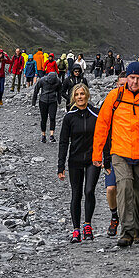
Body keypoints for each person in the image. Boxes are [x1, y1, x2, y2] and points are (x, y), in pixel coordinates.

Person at [92, 61, 139, 247]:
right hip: (120, 150)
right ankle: (126, 232)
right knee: (125, 186)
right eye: (132, 77)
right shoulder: (115, 96)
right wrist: (97, 153)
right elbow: (102, 124)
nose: (135, 82)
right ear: (127, 77)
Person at [58, 84, 101, 243]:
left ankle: (87, 225)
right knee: (76, 194)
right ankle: (76, 230)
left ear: (87, 95)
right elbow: (63, 142)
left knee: (89, 191)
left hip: (92, 159)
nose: (80, 97)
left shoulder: (96, 113)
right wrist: (60, 166)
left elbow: (104, 136)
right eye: (77, 95)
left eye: (82, 94)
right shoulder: (69, 117)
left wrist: (107, 161)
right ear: (73, 97)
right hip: (75, 160)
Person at [102, 72, 128, 236]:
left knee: (127, 191)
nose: (123, 87)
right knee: (111, 188)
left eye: (126, 84)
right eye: (120, 84)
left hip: (130, 154)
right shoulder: (110, 103)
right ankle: (114, 216)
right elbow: (103, 131)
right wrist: (105, 157)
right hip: (112, 153)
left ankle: (128, 224)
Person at [32, 65, 62, 143]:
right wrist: (33, 101)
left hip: (53, 101)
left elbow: (59, 91)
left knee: (52, 118)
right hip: (43, 101)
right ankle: (43, 135)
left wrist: (59, 100)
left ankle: (51, 135)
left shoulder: (58, 81)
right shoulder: (42, 80)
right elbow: (36, 90)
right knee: (44, 119)